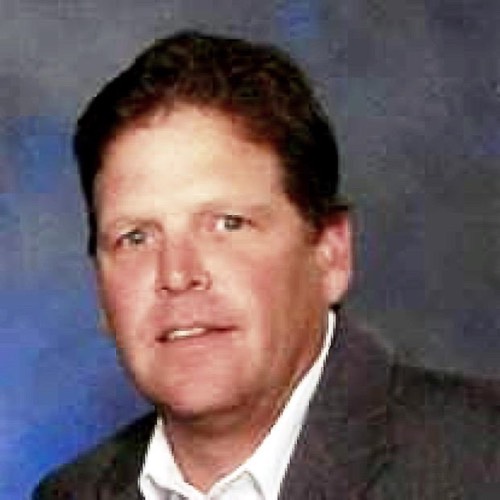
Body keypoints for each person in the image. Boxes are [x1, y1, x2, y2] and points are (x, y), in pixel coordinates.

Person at [34, 31, 500, 499]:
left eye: (228, 224)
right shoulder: (69, 494)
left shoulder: (482, 459)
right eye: (135, 237)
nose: (176, 274)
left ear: (331, 253)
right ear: (100, 288)